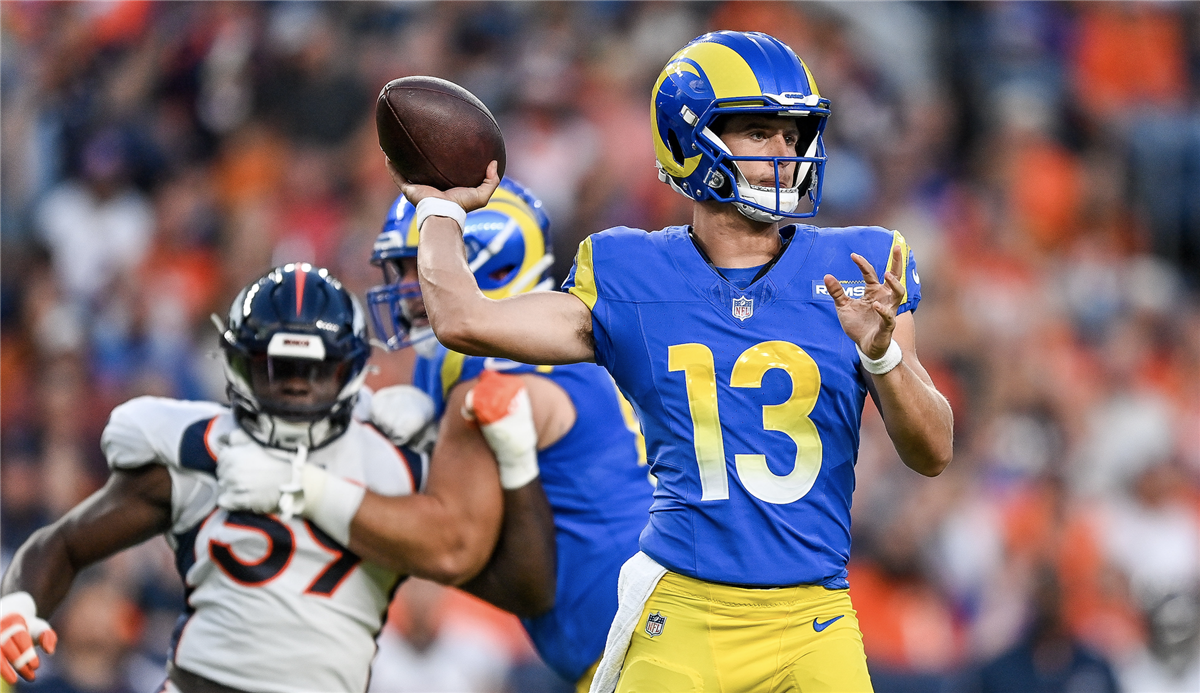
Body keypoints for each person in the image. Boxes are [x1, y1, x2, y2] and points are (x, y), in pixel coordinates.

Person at [389, 30, 955, 693]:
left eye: (791, 132)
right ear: (691, 140)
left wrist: (882, 353)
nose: (785, 150)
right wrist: (436, 210)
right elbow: (464, 319)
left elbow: (934, 450)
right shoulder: (629, 273)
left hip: (813, 614)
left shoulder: (857, 266)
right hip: (683, 614)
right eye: (759, 131)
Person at [0, 264, 523, 693]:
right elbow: (64, 544)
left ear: (348, 371)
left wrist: (517, 463)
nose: (295, 388)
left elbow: (512, 577)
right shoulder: (201, 452)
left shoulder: (392, 460)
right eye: (277, 369)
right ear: (238, 365)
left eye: (313, 371)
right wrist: (19, 604)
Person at [364, 180, 655, 690]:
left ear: (490, 264)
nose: (407, 285)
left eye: (418, 264)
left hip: (641, 650)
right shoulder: (533, 356)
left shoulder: (496, 375)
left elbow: (454, 547)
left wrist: (321, 495)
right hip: (635, 637)